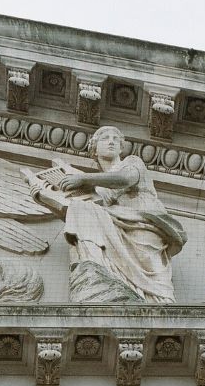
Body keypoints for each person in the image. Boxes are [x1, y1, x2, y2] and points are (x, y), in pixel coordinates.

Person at [42, 125, 183, 301]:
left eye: (116, 139)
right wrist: (45, 198)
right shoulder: (100, 187)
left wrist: (84, 178)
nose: (111, 142)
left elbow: (125, 179)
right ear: (94, 149)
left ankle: (158, 299)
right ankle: (94, 269)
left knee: (149, 264)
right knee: (81, 209)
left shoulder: (131, 162)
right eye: (105, 138)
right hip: (116, 223)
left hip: (142, 221)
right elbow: (85, 215)